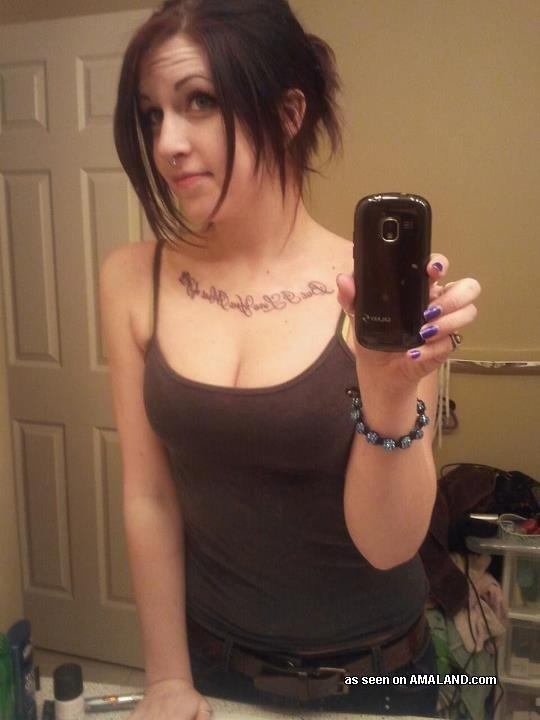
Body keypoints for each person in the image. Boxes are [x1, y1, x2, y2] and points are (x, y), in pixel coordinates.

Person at [100, 1, 481, 717]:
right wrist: (167, 678)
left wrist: (387, 388)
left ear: (287, 112)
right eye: (152, 115)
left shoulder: (375, 290)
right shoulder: (130, 280)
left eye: (199, 101)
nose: (167, 142)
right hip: (214, 669)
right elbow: (149, 496)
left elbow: (389, 545)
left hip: (380, 681)